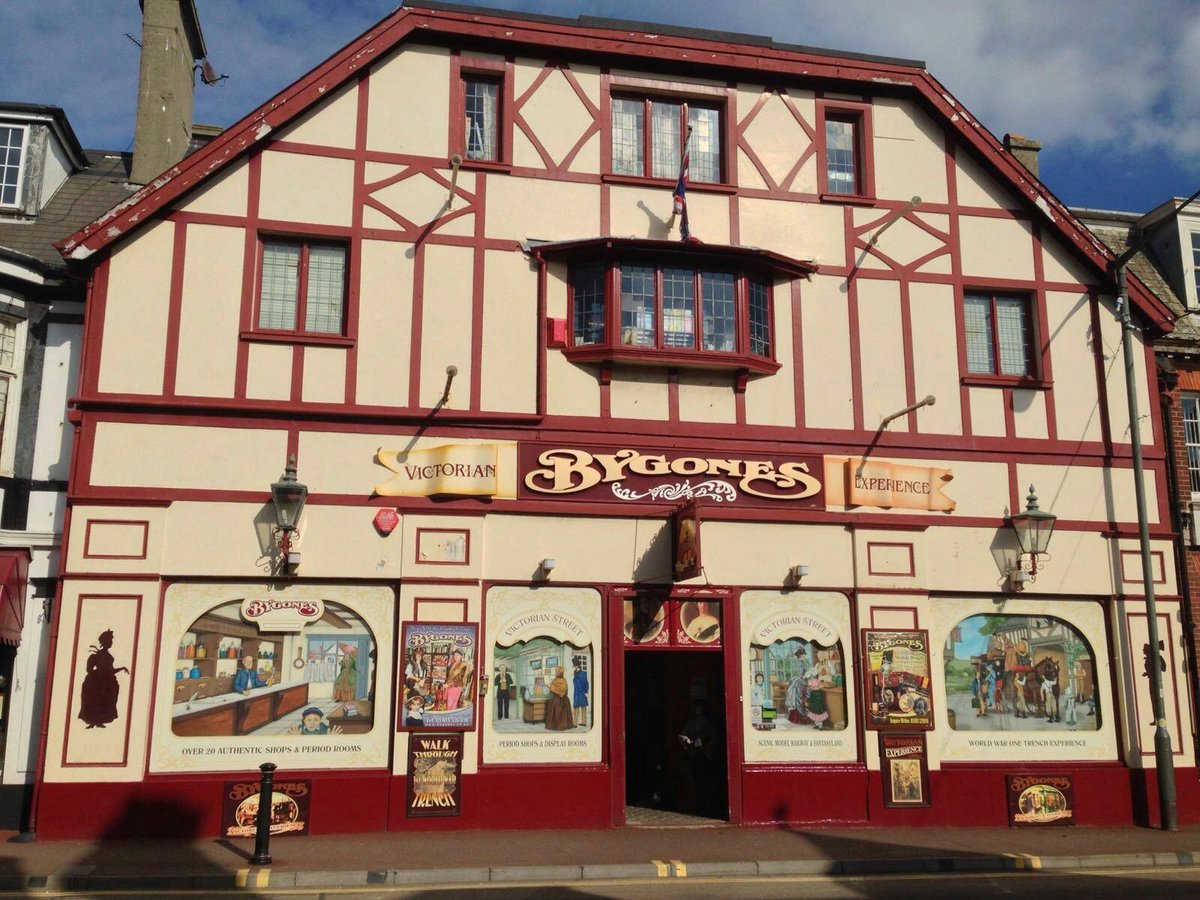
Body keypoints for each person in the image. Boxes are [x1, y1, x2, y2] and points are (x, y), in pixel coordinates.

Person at [79, 630, 129, 728]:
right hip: (99, 681)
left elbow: (110, 671)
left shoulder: (108, 656)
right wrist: (99, 674)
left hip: (106, 680)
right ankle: (93, 721)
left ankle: (98, 721)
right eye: (110, 641)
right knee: (96, 699)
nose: (111, 643)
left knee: (104, 700)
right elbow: (89, 669)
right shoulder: (97, 656)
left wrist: (122, 668)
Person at [679, 701, 719, 817]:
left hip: (703, 755)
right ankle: (697, 804)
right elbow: (682, 734)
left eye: (699, 708)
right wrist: (685, 739)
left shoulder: (707, 724)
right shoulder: (691, 723)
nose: (697, 710)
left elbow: (715, 738)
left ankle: (704, 806)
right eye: (696, 708)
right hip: (693, 754)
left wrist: (706, 746)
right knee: (695, 780)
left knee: (704, 782)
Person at [572, 657, 590, 727]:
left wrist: (585, 692)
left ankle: (575, 724)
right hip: (582, 693)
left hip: (578, 693)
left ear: (576, 666)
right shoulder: (583, 673)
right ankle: (583, 722)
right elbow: (586, 683)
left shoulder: (577, 675)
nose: (574, 668)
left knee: (577, 708)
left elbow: (578, 685)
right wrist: (586, 691)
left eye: (574, 666)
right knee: (583, 707)